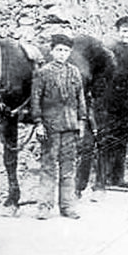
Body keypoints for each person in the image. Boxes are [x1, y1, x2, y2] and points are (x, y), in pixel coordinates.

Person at [31, 33, 86, 220]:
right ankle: (44, 207)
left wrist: (82, 121)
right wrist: (38, 123)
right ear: (52, 51)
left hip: (70, 126)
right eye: (59, 50)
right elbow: (36, 100)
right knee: (48, 167)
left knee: (68, 168)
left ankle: (67, 206)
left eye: (65, 51)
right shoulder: (42, 73)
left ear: (69, 53)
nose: (62, 54)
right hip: (50, 126)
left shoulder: (75, 72)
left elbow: (81, 98)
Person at [105, 16, 128, 188]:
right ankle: (105, 177)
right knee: (109, 138)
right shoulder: (110, 49)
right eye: (125, 31)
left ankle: (118, 177)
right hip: (109, 101)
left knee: (122, 139)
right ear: (118, 32)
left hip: (124, 101)